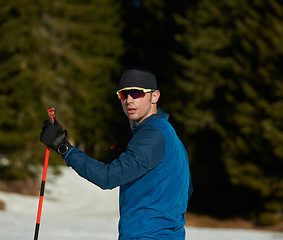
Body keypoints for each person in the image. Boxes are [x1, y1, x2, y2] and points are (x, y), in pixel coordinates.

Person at [40, 67, 193, 239]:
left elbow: (108, 177)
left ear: (154, 96)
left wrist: (63, 148)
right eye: (123, 94)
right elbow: (186, 189)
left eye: (136, 93)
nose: (129, 100)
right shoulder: (168, 134)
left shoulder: (153, 136)